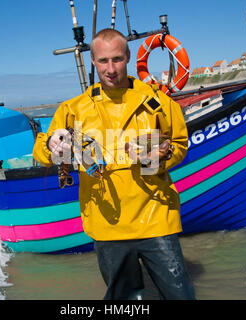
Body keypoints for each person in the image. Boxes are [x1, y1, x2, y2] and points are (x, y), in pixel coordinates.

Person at [33, 28, 195, 300]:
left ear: (129, 57)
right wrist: (51, 146)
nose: (110, 69)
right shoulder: (72, 110)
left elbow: (180, 145)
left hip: (156, 216)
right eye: (103, 61)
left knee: (181, 295)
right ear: (93, 62)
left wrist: (156, 158)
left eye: (117, 59)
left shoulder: (158, 103)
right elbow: (47, 154)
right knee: (125, 299)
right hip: (106, 223)